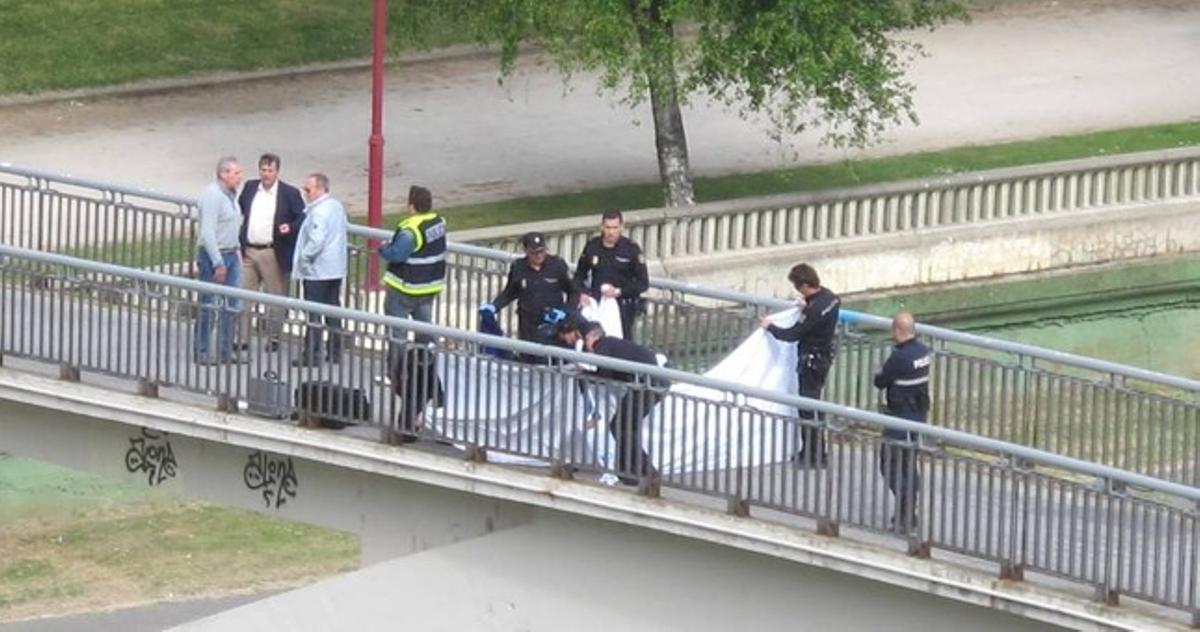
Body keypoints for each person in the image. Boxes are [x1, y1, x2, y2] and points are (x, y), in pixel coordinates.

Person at [555, 318, 668, 486]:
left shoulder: (603, 345)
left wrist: (585, 375)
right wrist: (588, 374)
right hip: (650, 385)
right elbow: (613, 374)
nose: (587, 347)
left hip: (647, 386)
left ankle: (640, 471)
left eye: (586, 341)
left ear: (591, 337)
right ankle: (633, 471)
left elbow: (605, 373)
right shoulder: (613, 345)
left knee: (620, 426)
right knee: (624, 427)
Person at [760, 263, 840, 468]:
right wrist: (807, 304)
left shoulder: (813, 310)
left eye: (798, 287)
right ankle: (817, 451)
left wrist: (771, 327)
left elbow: (793, 334)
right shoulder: (831, 298)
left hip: (811, 361)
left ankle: (812, 455)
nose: (798, 291)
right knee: (815, 405)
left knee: (807, 407)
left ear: (805, 285)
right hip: (823, 358)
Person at [237, 153, 306, 352]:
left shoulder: (288, 193)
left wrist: (289, 228)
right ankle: (242, 338)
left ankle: (274, 336)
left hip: (272, 251)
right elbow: (240, 210)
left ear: (277, 172)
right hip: (249, 250)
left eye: (270, 171)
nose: (266, 174)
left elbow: (301, 217)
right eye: (263, 170)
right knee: (243, 295)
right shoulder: (250, 188)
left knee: (276, 297)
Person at [874, 312, 931, 532]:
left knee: (889, 464)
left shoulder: (899, 357)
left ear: (898, 330)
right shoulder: (923, 352)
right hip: (918, 415)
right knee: (909, 464)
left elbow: (880, 381)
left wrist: (879, 371)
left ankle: (905, 512)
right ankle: (907, 512)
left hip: (899, 418)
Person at [482, 232, 579, 363]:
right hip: (528, 325)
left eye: (541, 251)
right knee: (529, 362)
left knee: (556, 362)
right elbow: (510, 292)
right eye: (534, 253)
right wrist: (494, 306)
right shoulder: (519, 268)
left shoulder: (557, 265)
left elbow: (573, 292)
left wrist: (564, 312)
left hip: (554, 326)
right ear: (526, 251)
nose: (539, 256)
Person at [291, 173, 348, 367]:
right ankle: (335, 352)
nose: (305, 193)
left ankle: (312, 354)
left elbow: (316, 240)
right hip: (335, 269)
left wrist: (304, 258)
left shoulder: (319, 212)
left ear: (320, 189)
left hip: (318, 271)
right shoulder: (336, 206)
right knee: (332, 310)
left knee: (314, 314)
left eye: (308, 189)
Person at [193, 156, 244, 365]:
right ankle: (202, 350)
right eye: (236, 173)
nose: (240, 178)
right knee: (209, 305)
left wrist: (237, 248)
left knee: (232, 304)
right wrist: (217, 262)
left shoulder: (231, 195)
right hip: (215, 256)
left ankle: (225, 349)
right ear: (224, 174)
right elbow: (207, 232)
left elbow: (231, 224)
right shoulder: (212, 196)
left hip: (231, 253)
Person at [380, 185, 446, 346]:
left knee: (397, 335)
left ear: (411, 206)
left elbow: (396, 254)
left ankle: (396, 369)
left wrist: (383, 248)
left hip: (405, 288)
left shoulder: (410, 230)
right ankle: (426, 367)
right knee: (424, 332)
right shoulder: (438, 222)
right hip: (428, 287)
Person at [574, 209, 649, 341]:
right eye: (608, 227)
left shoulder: (630, 249)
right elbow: (579, 275)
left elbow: (643, 283)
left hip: (622, 306)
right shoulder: (593, 246)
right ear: (602, 227)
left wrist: (619, 291)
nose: (611, 232)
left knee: (622, 344)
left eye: (615, 227)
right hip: (597, 305)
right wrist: (583, 292)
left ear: (622, 227)